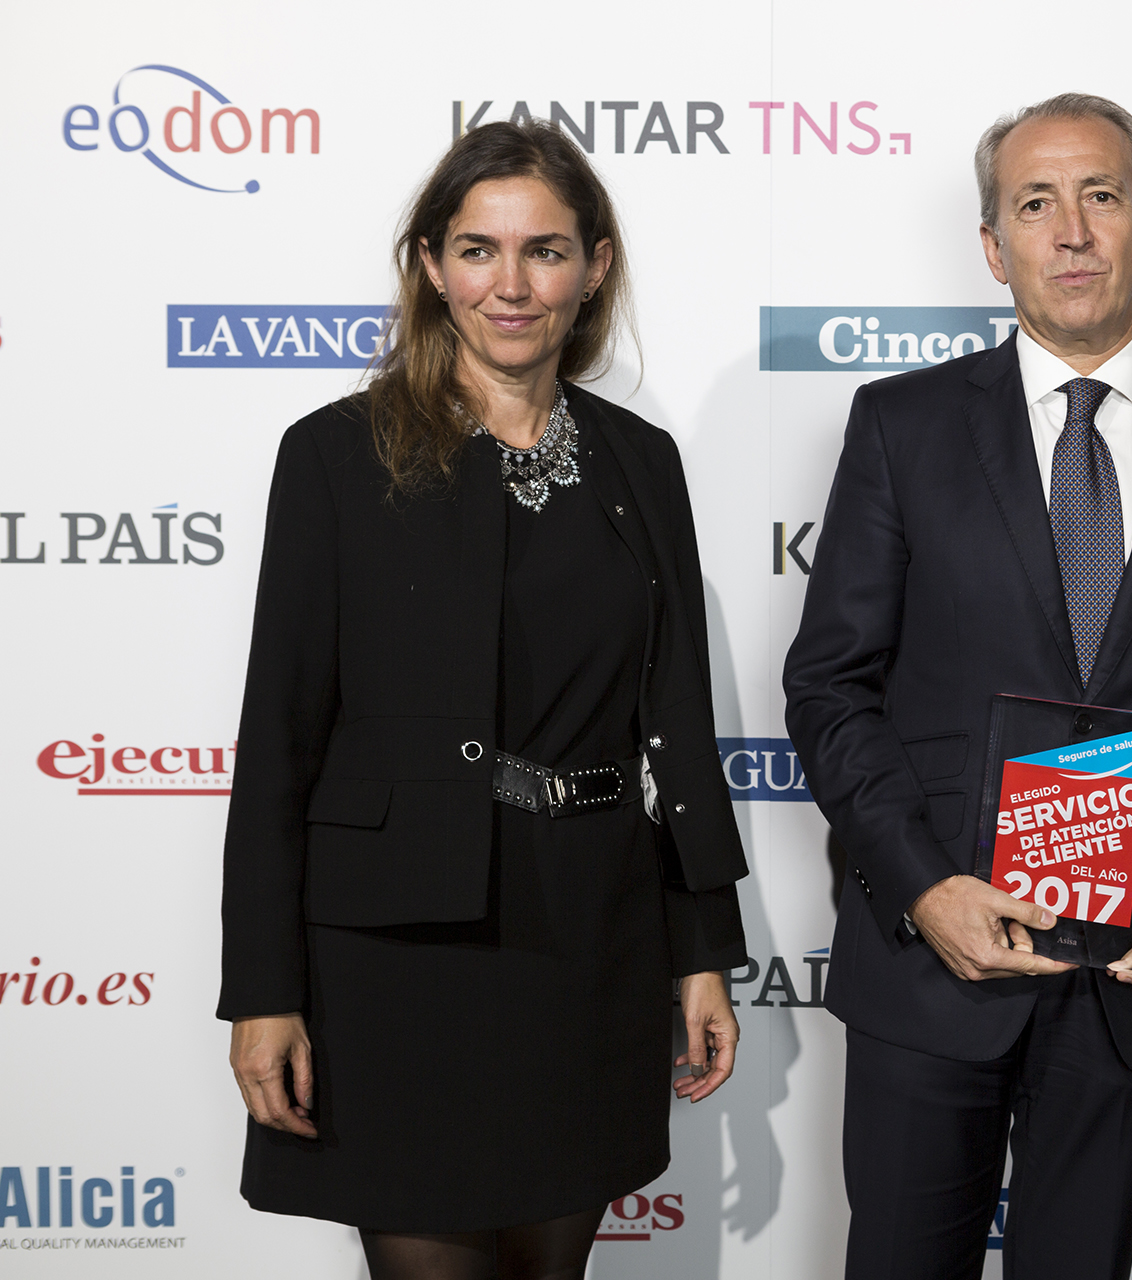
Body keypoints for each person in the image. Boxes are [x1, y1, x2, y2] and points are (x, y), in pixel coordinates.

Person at [783, 92, 1132, 1279]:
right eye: (1035, 204)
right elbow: (829, 688)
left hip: (1131, 960)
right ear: (994, 245)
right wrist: (924, 888)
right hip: (932, 957)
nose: (1071, 230)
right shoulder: (900, 424)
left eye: (1101, 196)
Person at [216, 120, 750, 1280]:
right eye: (477, 249)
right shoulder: (336, 456)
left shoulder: (642, 460)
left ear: (594, 267)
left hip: (589, 935)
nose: (511, 285)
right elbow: (280, 740)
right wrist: (262, 990)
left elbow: (673, 724)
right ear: (430, 264)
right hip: (397, 955)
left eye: (544, 251)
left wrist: (703, 947)